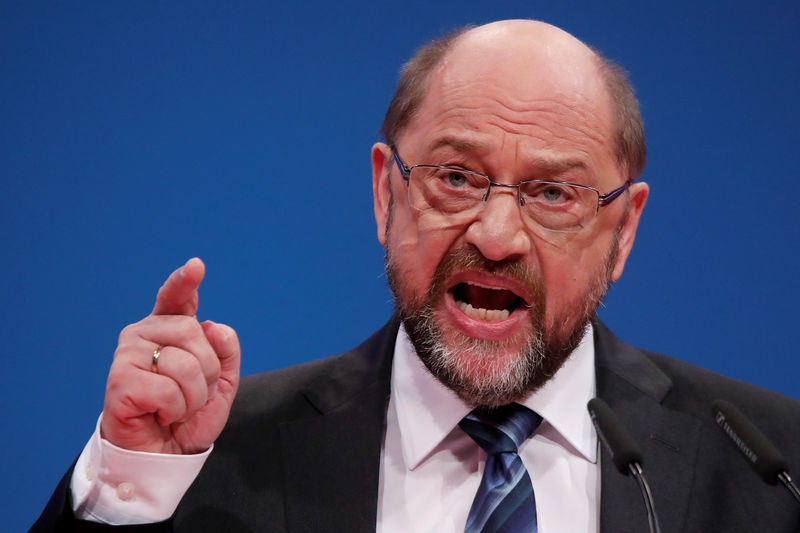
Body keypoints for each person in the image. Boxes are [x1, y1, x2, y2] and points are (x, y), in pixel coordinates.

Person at [34, 19, 800, 533]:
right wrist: (127, 488)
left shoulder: (773, 464)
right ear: (385, 191)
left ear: (623, 229)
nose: (496, 237)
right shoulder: (215, 462)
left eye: (554, 193)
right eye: (458, 177)